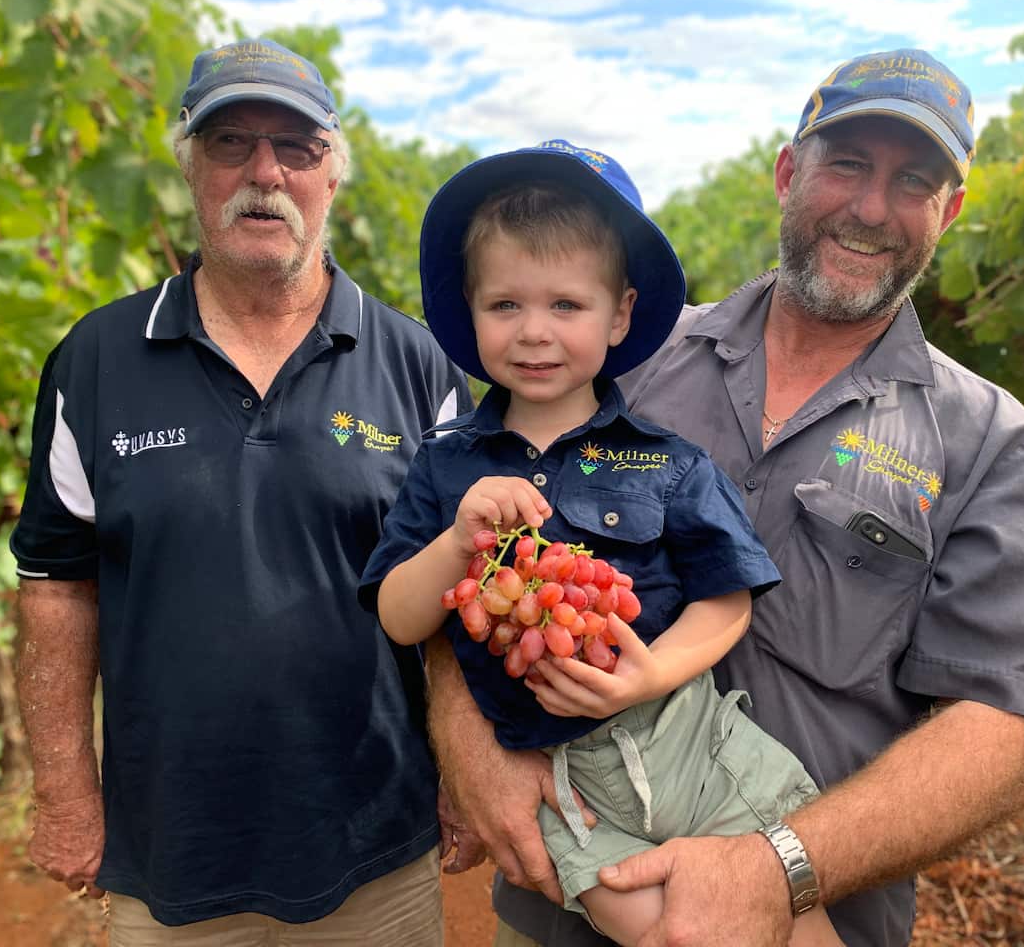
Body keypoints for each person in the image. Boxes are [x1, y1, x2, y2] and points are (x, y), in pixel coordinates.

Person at [427, 49, 1024, 947]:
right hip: (565, 904)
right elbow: (466, 547)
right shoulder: (615, 365)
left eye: (915, 181)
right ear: (788, 173)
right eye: (847, 163)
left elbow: (1004, 727)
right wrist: (467, 736)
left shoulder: (991, 445)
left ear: (951, 210)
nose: (869, 207)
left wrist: (779, 863)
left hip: (792, 923)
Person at [9, 38, 471, 945]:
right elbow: (58, 588)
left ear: (331, 173)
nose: (265, 172)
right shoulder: (96, 360)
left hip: (376, 847)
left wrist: (466, 767)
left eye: (295, 147)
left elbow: (459, 592)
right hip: (171, 854)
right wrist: (64, 793)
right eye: (231, 144)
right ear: (190, 167)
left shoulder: (417, 365)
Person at [358, 139, 843, 947]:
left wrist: (650, 672)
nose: (534, 333)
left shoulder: (667, 459)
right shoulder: (446, 467)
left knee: (794, 918)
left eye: (566, 306)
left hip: (691, 742)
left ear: (618, 313)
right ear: (469, 312)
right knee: (658, 932)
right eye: (505, 306)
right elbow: (398, 617)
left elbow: (728, 598)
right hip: (559, 784)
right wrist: (456, 544)